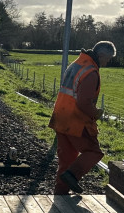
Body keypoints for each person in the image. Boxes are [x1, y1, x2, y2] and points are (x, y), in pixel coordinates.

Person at [49, 40, 117, 195]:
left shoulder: (76, 64)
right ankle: (72, 176)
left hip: (61, 116)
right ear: (100, 55)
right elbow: (84, 102)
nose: (107, 62)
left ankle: (61, 193)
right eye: (108, 59)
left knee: (67, 159)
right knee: (94, 152)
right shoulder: (91, 72)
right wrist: (96, 112)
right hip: (76, 121)